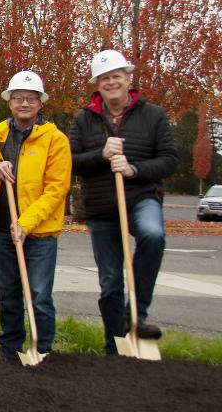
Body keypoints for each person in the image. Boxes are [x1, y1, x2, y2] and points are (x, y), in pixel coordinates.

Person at [68, 50, 178, 355]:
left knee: (153, 236)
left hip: (141, 197)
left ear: (128, 79)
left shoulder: (152, 115)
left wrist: (134, 169)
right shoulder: (84, 119)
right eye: (105, 78)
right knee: (111, 280)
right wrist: (101, 154)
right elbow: (71, 162)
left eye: (116, 76)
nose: (111, 82)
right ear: (97, 85)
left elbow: (170, 159)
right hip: (102, 206)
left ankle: (138, 314)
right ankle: (114, 346)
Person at [0, 70, 71, 361]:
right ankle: (9, 349)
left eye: (30, 98)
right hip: (4, 228)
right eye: (18, 98)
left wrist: (26, 223)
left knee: (39, 296)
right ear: (10, 102)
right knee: (8, 294)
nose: (24, 103)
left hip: (39, 233)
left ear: (40, 103)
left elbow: (57, 189)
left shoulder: (54, 139)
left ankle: (42, 350)